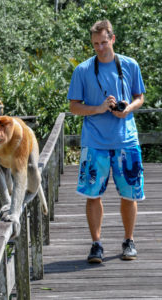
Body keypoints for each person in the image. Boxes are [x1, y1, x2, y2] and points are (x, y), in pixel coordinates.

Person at [67, 19, 145, 263]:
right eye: (95, 44)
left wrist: (127, 109)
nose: (99, 48)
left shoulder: (130, 65)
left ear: (113, 39)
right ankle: (96, 244)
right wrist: (99, 108)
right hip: (95, 142)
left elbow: (139, 97)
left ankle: (129, 241)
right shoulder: (82, 70)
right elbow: (74, 107)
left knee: (129, 195)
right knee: (93, 195)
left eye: (103, 42)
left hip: (126, 140)